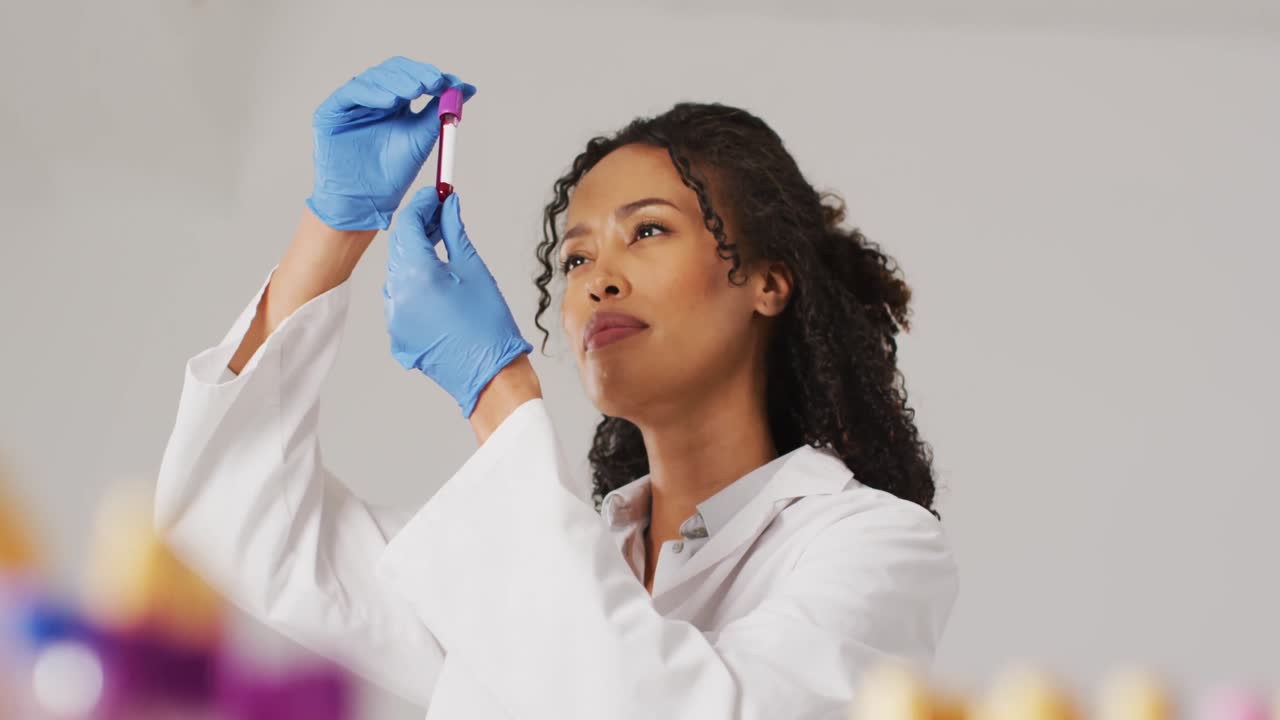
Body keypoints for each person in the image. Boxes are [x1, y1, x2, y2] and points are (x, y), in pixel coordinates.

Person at [154, 56, 959, 719]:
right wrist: (336, 225)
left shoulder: (873, 549)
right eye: (575, 259)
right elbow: (233, 523)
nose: (598, 279)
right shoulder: (538, 551)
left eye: (647, 231)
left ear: (767, 282)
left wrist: (497, 393)